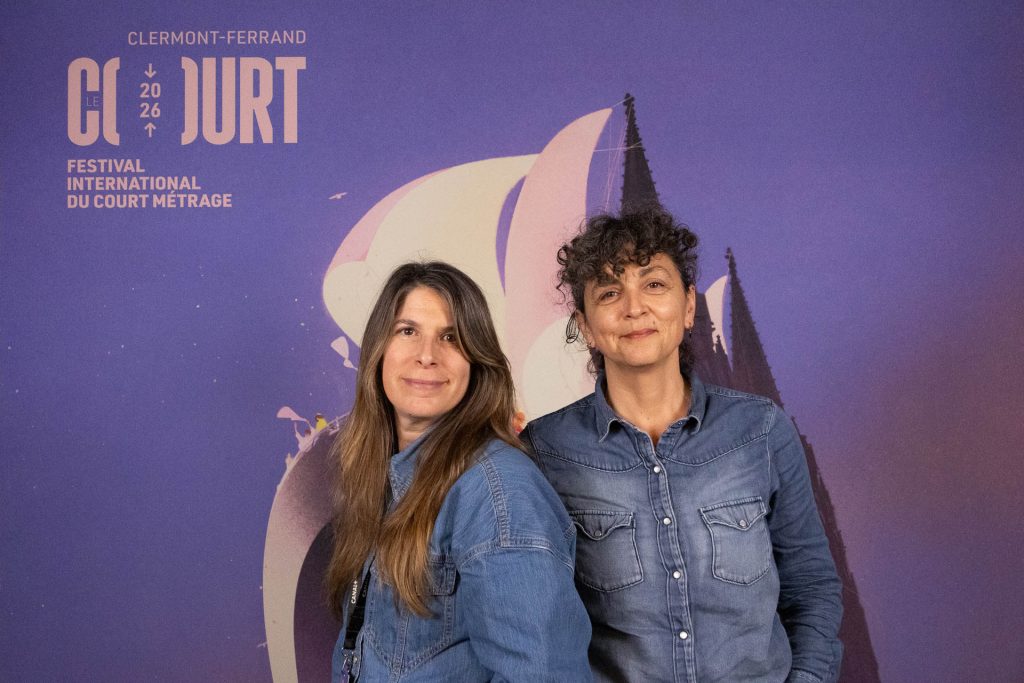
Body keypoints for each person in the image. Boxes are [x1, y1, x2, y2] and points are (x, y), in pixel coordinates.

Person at [522, 211, 843, 683]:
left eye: (654, 284)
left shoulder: (760, 430)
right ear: (585, 326)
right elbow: (533, 620)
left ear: (689, 306)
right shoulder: (546, 451)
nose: (634, 308)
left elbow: (811, 587)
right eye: (609, 292)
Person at [326, 261, 592, 683]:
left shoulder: (498, 491)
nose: (427, 355)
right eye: (407, 331)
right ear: (380, 349)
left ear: (476, 361)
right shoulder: (382, 474)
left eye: (450, 337)